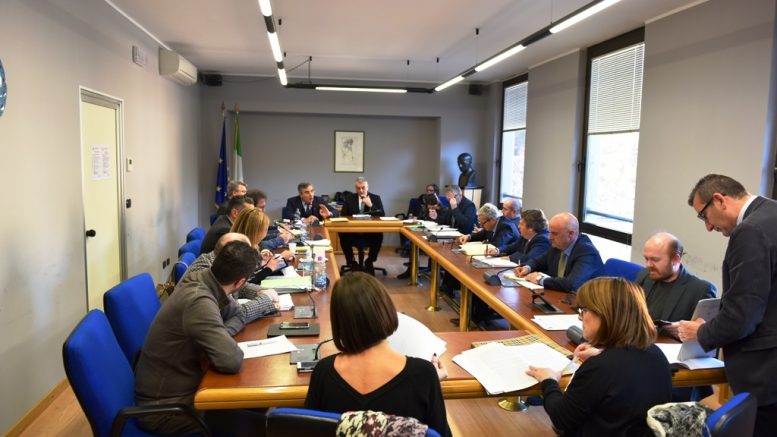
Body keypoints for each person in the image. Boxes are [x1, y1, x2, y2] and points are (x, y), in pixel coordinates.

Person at [678, 174, 777, 436]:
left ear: (719, 200)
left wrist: (701, 332)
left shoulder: (750, 232)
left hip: (765, 373)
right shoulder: (772, 213)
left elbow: (742, 316)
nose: (708, 227)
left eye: (704, 216)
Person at [135, 241, 263, 436]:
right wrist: (221, 339)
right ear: (240, 283)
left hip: (183, 389)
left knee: (257, 407)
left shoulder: (203, 278)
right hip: (166, 410)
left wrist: (221, 334)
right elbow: (231, 360)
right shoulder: (199, 301)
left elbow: (238, 313)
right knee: (263, 427)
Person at [304, 272, 452, 437]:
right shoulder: (423, 373)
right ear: (387, 311)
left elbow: (310, 429)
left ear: (339, 323)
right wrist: (429, 382)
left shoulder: (323, 372)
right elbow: (440, 434)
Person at [526, 277, 672, 436]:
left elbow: (561, 418)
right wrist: (603, 353)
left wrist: (549, 381)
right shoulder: (657, 355)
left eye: (583, 310)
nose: (580, 317)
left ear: (604, 313)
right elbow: (625, 369)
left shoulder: (600, 367)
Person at [185, 232, 280, 334]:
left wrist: (261, 291)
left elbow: (240, 287)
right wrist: (266, 301)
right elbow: (238, 313)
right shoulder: (206, 273)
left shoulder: (218, 262)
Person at [636, 232, 717, 338]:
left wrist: (693, 330)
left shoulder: (701, 290)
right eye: (646, 259)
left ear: (676, 259)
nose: (648, 265)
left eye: (655, 260)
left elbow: (705, 335)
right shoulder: (644, 275)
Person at [515, 212, 604, 293]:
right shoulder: (558, 246)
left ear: (571, 234)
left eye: (555, 233)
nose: (550, 237)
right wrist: (527, 268)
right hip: (559, 296)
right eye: (550, 232)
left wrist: (540, 279)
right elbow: (538, 261)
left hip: (584, 301)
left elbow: (571, 284)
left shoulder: (587, 252)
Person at [228, 208, 293, 285]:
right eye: (265, 230)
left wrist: (260, 259)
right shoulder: (239, 252)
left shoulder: (239, 243)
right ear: (255, 231)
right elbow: (246, 283)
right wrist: (269, 268)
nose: (265, 234)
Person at [339, 177, 385, 275]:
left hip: (370, 232)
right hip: (353, 232)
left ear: (367, 187)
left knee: (379, 235)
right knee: (342, 235)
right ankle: (352, 262)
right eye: (358, 188)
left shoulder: (375, 198)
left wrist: (371, 205)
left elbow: (382, 214)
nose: (361, 190)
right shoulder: (349, 198)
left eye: (363, 188)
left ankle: (369, 261)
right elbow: (343, 215)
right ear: (355, 188)